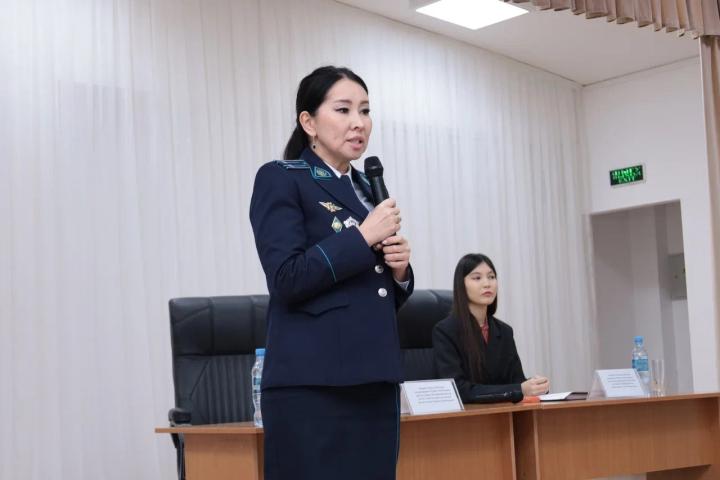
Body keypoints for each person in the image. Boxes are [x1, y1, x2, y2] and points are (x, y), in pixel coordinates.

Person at [249, 66, 413, 480]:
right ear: (309, 122)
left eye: (365, 110)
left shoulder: (366, 189)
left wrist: (400, 274)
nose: (359, 122)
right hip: (313, 386)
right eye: (343, 110)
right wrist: (363, 237)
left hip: (375, 380)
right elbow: (286, 278)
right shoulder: (282, 178)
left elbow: (370, 293)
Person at [432, 253, 548, 403]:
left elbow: (516, 381)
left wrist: (534, 386)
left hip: (504, 413)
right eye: (477, 278)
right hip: (468, 415)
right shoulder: (445, 331)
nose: (487, 284)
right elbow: (458, 390)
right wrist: (519, 389)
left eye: (491, 277)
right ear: (461, 285)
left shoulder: (504, 331)